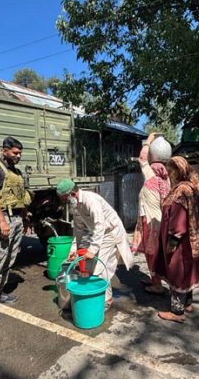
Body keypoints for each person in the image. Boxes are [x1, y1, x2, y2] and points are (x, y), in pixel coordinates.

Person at [57, 179, 133, 311]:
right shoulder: (76, 205)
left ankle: (106, 300)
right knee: (98, 266)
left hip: (110, 232)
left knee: (99, 268)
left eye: (65, 199)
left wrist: (92, 249)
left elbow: (100, 225)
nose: (65, 202)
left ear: (72, 194)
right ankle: (99, 294)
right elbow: (78, 229)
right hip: (101, 234)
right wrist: (74, 249)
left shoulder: (91, 200)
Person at [0, 136, 32, 322]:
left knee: (9, 259)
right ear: (4, 151)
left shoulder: (16, 172)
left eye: (20, 153)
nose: (18, 156)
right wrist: (2, 221)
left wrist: (25, 218)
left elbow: (22, 196)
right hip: (3, 219)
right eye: (15, 153)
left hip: (17, 218)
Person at [153, 156, 199, 323]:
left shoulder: (181, 191)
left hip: (180, 242)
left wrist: (173, 241)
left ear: (178, 171)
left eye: (171, 171)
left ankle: (177, 312)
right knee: (187, 272)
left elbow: (179, 219)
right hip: (189, 242)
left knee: (178, 271)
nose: (169, 175)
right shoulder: (190, 187)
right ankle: (188, 303)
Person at [131, 133, 170, 294]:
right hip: (157, 221)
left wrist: (148, 141)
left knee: (152, 253)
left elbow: (142, 158)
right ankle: (155, 279)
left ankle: (157, 285)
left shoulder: (151, 175)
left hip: (151, 222)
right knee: (152, 252)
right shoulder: (166, 179)